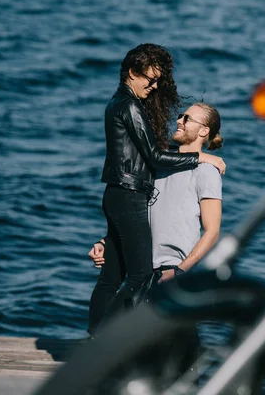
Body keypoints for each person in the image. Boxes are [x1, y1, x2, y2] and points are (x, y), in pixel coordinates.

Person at [90, 44, 225, 336]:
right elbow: (151, 163)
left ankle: (96, 340)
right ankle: (102, 341)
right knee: (132, 278)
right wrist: (201, 156)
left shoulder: (207, 172)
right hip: (130, 208)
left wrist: (181, 269)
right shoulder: (132, 110)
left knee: (112, 279)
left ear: (204, 131)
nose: (179, 119)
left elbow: (212, 230)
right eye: (150, 80)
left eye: (187, 118)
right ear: (131, 73)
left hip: (166, 264)